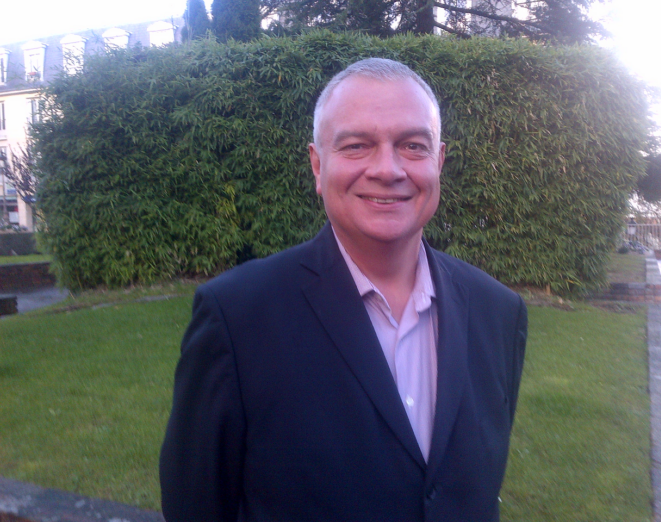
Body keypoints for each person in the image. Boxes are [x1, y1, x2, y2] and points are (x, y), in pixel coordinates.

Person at [160, 58, 527, 522]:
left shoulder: (498, 313)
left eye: (413, 146)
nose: (388, 169)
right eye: (357, 146)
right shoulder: (237, 317)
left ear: (439, 161)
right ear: (318, 165)